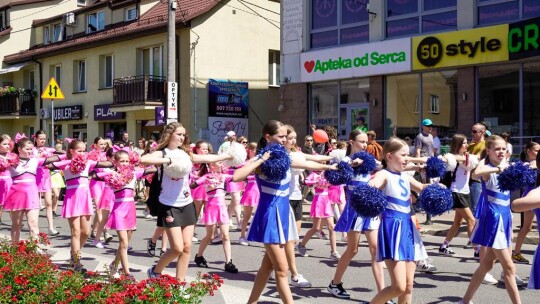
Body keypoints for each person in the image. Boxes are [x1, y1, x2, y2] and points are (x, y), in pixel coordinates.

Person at [232, 120, 336, 304]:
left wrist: (331, 165)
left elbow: (310, 161)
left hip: (283, 212)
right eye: (280, 136)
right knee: (282, 269)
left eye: (285, 136)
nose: (284, 139)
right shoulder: (260, 159)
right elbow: (236, 176)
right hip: (269, 214)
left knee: (267, 266)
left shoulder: (286, 157)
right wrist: (262, 158)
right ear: (268, 137)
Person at [142, 122, 232, 282]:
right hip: (168, 204)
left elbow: (207, 157)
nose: (182, 137)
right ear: (170, 135)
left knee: (187, 247)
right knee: (177, 247)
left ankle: (180, 283)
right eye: (179, 134)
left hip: (187, 203)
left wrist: (226, 156)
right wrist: (167, 161)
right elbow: (144, 159)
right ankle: (155, 271)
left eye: (184, 134)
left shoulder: (186, 153)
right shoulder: (162, 153)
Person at [460, 135, 522, 304]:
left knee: (486, 265)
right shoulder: (487, 168)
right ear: (488, 151)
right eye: (497, 149)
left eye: (503, 149)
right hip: (494, 219)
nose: (501, 151)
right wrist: (498, 169)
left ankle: (464, 301)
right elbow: (477, 173)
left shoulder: (507, 166)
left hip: (505, 217)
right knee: (509, 267)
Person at [366, 137, 427, 304]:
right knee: (398, 287)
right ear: (389, 156)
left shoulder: (405, 176)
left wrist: (437, 187)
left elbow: (421, 187)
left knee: (408, 286)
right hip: (392, 229)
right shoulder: (383, 174)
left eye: (408, 154)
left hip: (408, 228)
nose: (407, 158)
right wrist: (369, 186)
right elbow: (375, 183)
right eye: (403, 154)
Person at [328, 129, 385, 300]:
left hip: (369, 207)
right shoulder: (345, 160)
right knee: (352, 250)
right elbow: (335, 173)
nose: (365, 145)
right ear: (351, 142)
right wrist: (351, 164)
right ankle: (335, 283)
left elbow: (384, 167)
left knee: (376, 250)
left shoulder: (368, 159)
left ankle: (382, 294)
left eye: (366, 142)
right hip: (354, 208)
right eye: (361, 141)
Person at [51, 139, 113, 271]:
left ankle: (74, 254)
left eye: (84, 150)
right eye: (79, 151)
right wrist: (66, 158)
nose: (83, 153)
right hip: (72, 198)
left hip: (85, 198)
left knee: (86, 232)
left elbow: (107, 163)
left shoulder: (88, 162)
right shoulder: (66, 164)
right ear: (72, 151)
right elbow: (49, 165)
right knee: (76, 232)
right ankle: (76, 262)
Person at [95, 150, 155, 279]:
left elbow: (151, 170)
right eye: (121, 161)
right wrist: (105, 171)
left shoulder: (134, 173)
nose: (125, 163)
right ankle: (127, 273)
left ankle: (114, 266)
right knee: (123, 242)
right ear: (115, 162)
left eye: (127, 161)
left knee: (125, 244)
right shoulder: (112, 174)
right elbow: (95, 175)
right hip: (118, 209)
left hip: (131, 210)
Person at [5, 137, 62, 243]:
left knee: (34, 224)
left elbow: (53, 159)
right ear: (19, 149)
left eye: (31, 149)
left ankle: (35, 250)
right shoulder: (11, 161)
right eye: (27, 149)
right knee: (16, 224)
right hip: (16, 195)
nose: (30, 151)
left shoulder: (35, 161)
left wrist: (71, 155)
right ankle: (15, 249)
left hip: (32, 194)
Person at [191, 158, 238, 273]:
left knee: (225, 236)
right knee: (210, 237)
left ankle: (228, 262)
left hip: (222, 209)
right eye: (219, 162)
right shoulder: (206, 177)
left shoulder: (223, 176)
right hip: (211, 209)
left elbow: (237, 177)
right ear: (211, 165)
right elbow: (192, 185)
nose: (221, 163)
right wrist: (201, 181)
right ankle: (199, 255)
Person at [438, 134, 479, 255]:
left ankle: (444, 246)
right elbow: (443, 159)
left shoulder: (466, 157)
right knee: (471, 220)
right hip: (456, 192)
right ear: (458, 144)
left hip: (465, 191)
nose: (467, 145)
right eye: (464, 143)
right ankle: (477, 250)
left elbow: (473, 161)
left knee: (458, 222)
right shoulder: (452, 157)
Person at [511, 150, 540, 290]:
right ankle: (515, 253)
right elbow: (516, 205)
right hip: (530, 195)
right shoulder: (537, 190)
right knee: (526, 227)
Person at [296, 170, 340, 260]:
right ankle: (301, 245)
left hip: (327, 200)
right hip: (318, 200)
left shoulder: (328, 173)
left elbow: (334, 184)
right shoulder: (313, 174)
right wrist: (315, 182)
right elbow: (305, 182)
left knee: (331, 227)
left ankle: (334, 252)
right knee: (316, 228)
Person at [34, 130, 58, 235]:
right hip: (35, 177)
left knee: (48, 203)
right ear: (36, 139)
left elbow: (58, 155)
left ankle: (51, 227)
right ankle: (35, 228)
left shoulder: (49, 150)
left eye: (44, 138)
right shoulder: (32, 150)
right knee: (35, 205)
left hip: (46, 176)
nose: (43, 140)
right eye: (41, 138)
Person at [238, 142, 259, 246]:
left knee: (261, 215)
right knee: (247, 216)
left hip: (260, 190)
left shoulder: (260, 161)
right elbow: (241, 170)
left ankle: (257, 235)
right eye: (255, 149)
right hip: (250, 191)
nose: (257, 151)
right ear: (250, 151)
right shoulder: (246, 162)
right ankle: (242, 236)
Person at [415, 119, 434, 226]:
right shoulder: (420, 136)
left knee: (430, 188)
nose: (430, 127)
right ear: (423, 126)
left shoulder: (431, 136)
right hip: (423, 165)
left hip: (430, 164)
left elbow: (431, 150)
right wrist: (418, 165)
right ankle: (428, 216)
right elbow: (418, 151)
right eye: (428, 126)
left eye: (431, 126)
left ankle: (429, 215)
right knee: (425, 188)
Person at [50, 142, 65, 218]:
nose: (59, 148)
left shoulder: (62, 158)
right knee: (56, 194)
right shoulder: (52, 158)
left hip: (59, 175)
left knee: (57, 196)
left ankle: (53, 210)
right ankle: (50, 209)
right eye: (58, 147)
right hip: (52, 175)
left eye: (60, 147)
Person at [0, 135, 12, 224]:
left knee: (11, 200)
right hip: (0, 180)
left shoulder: (12, 156)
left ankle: (14, 219)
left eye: (8, 144)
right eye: (4, 144)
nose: (7, 146)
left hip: (9, 180)